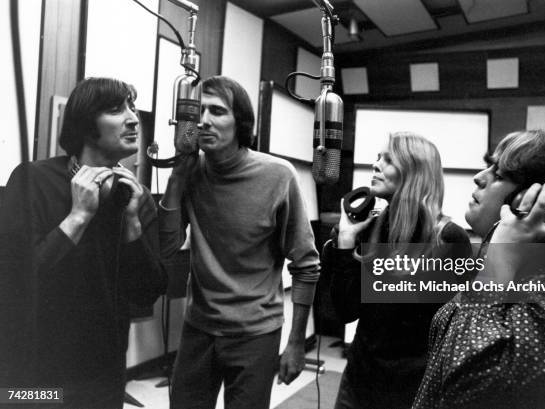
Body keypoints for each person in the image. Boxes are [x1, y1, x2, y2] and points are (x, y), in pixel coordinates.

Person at [413, 130, 545, 409]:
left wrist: (501, 256)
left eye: (501, 174)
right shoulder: (515, 270)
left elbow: (467, 384)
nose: (479, 177)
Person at [0, 77, 167, 408]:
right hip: (34, 370)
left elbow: (148, 290)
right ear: (87, 126)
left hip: (103, 373)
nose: (133, 118)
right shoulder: (33, 180)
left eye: (131, 107)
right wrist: (77, 217)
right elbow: (15, 279)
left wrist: (132, 222)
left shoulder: (136, 196)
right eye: (116, 109)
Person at [159, 75, 320, 409]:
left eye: (217, 111)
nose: (203, 121)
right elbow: (167, 248)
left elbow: (306, 265)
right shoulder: (191, 174)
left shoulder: (278, 176)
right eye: (198, 110)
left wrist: (296, 344)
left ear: (241, 123)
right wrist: (176, 180)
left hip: (255, 333)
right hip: (199, 327)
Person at [322, 132, 472, 409]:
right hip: (360, 380)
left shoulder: (448, 239)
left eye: (388, 159)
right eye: (378, 158)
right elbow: (346, 311)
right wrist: (344, 243)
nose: (376, 165)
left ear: (414, 171)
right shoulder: (369, 229)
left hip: (413, 388)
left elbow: (450, 333)